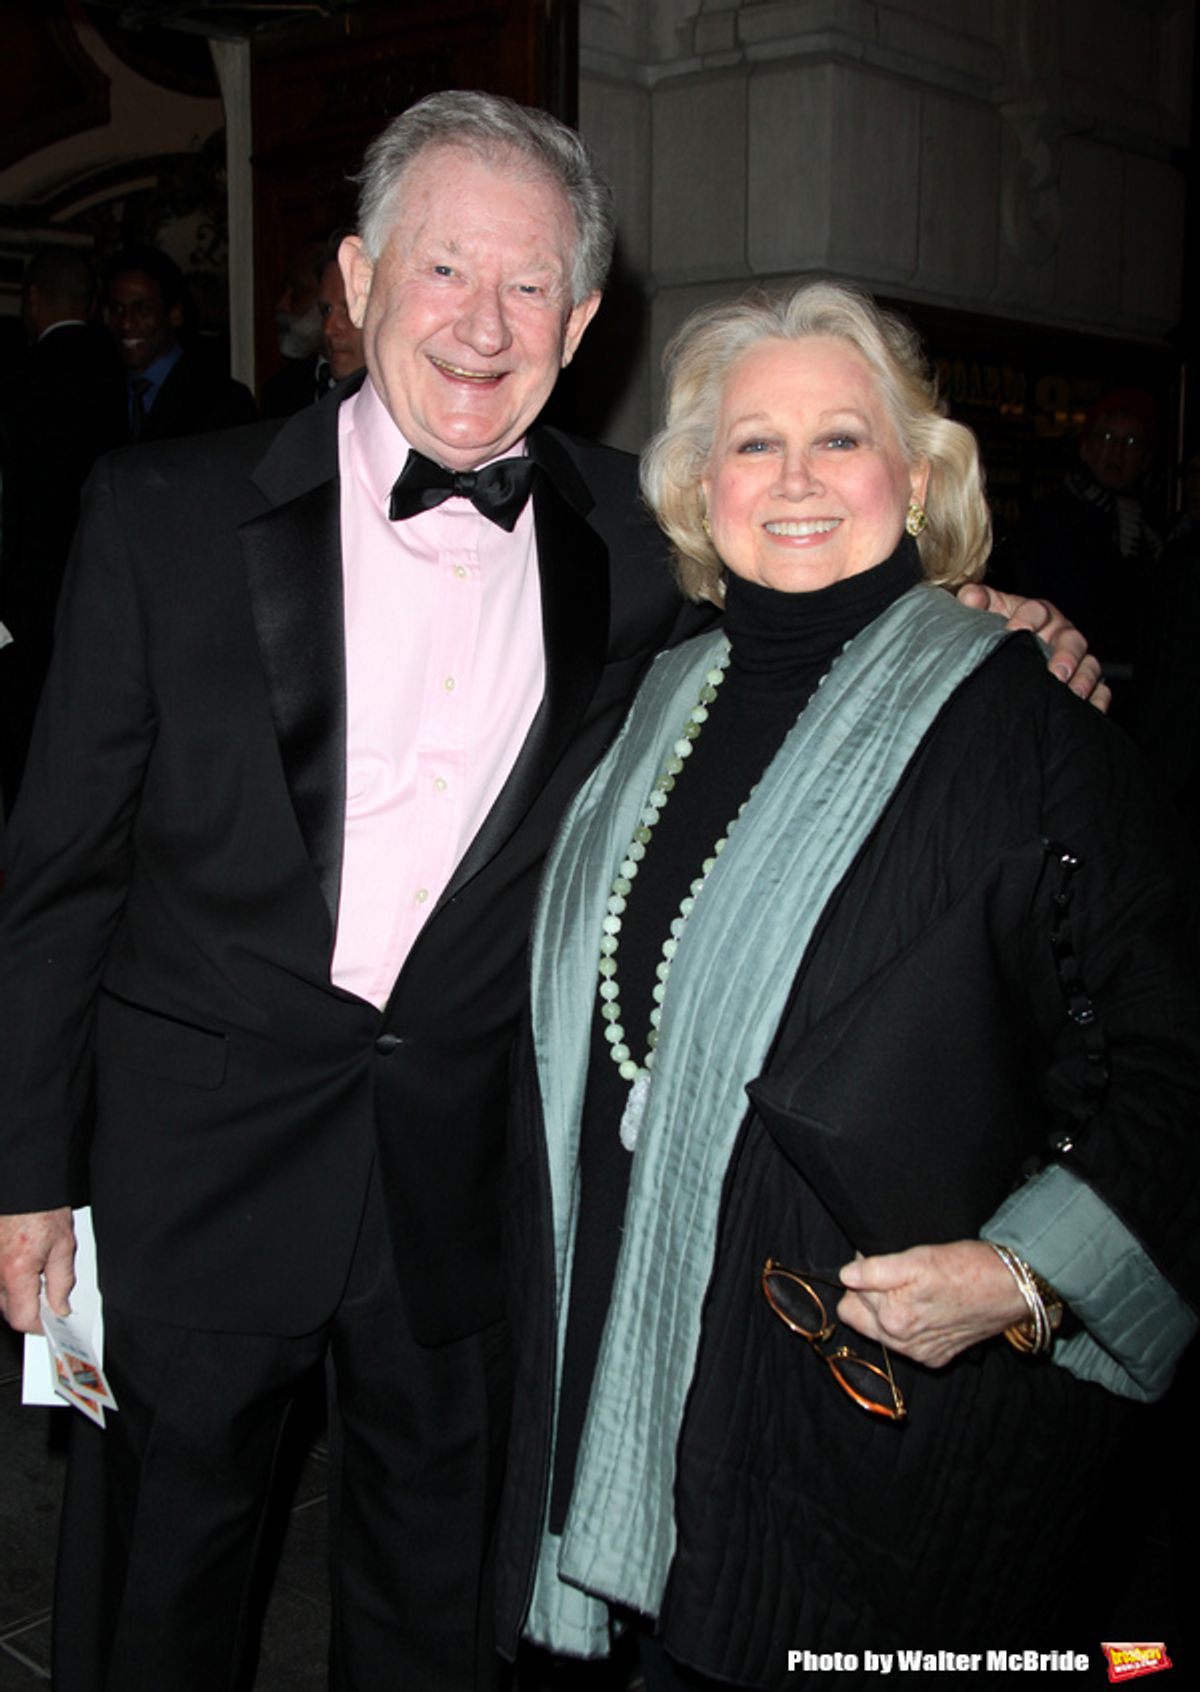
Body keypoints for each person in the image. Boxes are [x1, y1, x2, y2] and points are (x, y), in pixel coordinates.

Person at [0, 95, 1099, 1692]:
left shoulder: (643, 543)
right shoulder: (157, 513)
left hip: (468, 1184)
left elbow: (821, 594)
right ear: (359, 279)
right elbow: (56, 876)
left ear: (582, 323)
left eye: (530, 287)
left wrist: (986, 617)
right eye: (445, 269)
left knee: (437, 1610)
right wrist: (27, 1173)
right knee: (152, 1603)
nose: (483, 325)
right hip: (195, 1174)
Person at [495, 281, 1199, 1687]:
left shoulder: (1030, 727)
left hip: (857, 1435)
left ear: (919, 479)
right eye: (754, 444)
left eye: (841, 438)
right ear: (699, 488)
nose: (798, 480)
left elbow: (1173, 1065)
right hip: (616, 1382)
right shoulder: (646, 705)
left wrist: (1023, 1275)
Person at [0, 247, 124, 808]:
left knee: (26, 750)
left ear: (33, 301)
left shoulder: (20, 377)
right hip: (101, 585)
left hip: (27, 597)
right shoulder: (117, 373)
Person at [103, 243, 255, 441]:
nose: (126, 323)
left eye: (143, 309)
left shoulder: (220, 399)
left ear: (174, 315)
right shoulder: (94, 393)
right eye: (117, 310)